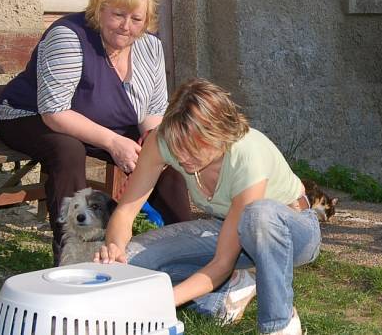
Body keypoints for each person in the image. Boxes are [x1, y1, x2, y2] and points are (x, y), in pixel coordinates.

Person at [94, 78, 321, 335]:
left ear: (219, 135)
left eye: (191, 149)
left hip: (292, 232)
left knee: (259, 216)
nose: (181, 157)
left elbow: (222, 262)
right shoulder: (164, 141)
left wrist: (162, 302)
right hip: (227, 230)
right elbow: (125, 212)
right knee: (130, 261)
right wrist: (115, 248)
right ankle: (229, 292)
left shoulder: (248, 154)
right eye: (176, 146)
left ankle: (279, 324)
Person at [0, 0, 192, 265]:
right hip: (31, 116)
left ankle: (188, 249)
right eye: (118, 15)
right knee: (68, 150)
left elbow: (153, 109)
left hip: (100, 120)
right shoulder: (69, 36)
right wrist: (114, 143)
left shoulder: (150, 47)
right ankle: (77, 256)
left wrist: (151, 142)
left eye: (136, 19)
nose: (126, 26)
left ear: (146, 22)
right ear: (100, 11)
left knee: (162, 153)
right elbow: (54, 112)